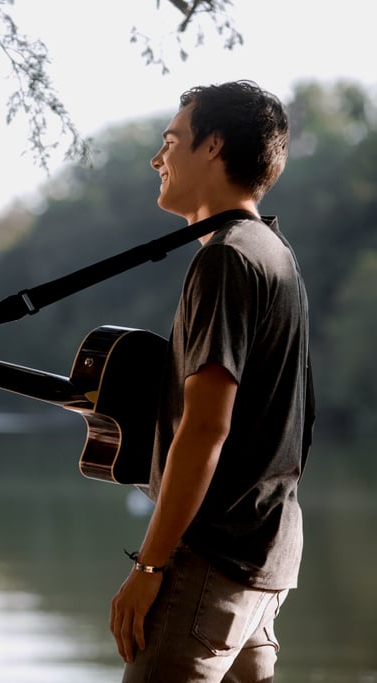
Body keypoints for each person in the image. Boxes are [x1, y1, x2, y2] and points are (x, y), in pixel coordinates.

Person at [109, 81, 313, 681]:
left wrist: (148, 569)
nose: (157, 158)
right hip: (264, 556)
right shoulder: (273, 252)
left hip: (211, 564)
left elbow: (205, 428)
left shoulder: (226, 257)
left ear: (213, 145)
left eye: (170, 141)